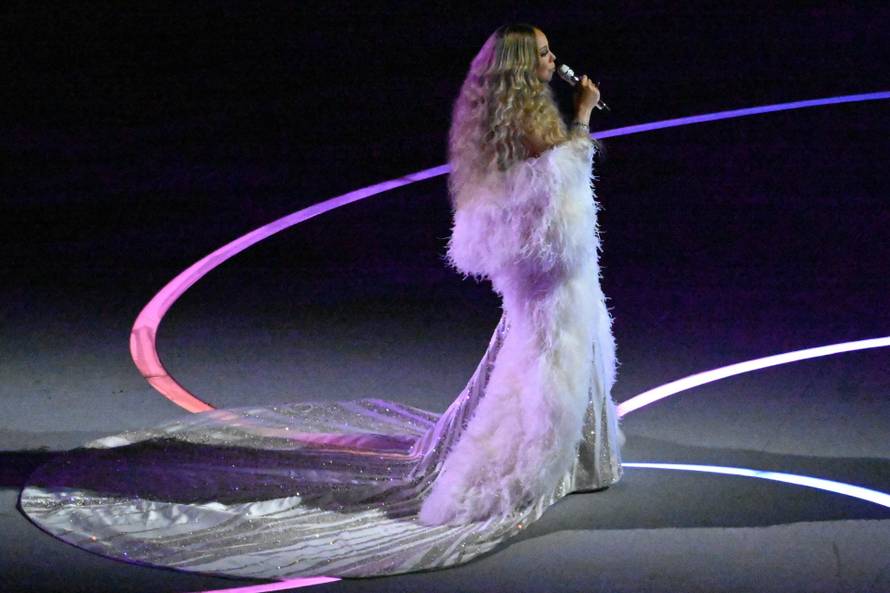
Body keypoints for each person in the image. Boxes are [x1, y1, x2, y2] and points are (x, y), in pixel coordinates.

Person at [18, 23, 623, 579]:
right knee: (547, 362)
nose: (554, 59)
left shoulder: (508, 117)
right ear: (522, 67)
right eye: (543, 53)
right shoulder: (529, 124)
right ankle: (533, 467)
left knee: (567, 351)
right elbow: (555, 197)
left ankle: (583, 460)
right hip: (550, 278)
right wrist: (584, 119)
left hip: (547, 277)